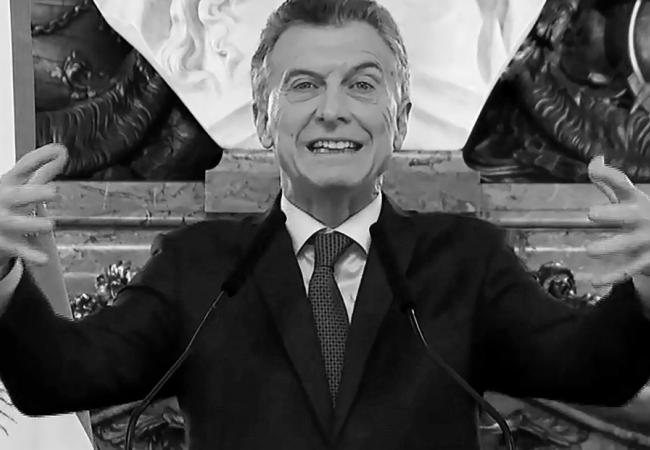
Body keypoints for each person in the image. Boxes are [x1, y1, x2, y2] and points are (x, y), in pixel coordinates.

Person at [1, 0, 650, 449]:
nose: (332, 110)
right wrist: (3, 268)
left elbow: (594, 371)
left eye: (362, 86)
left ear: (401, 118)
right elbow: (57, 379)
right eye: (304, 86)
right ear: (263, 118)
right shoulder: (199, 264)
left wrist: (647, 287)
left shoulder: (465, 261)